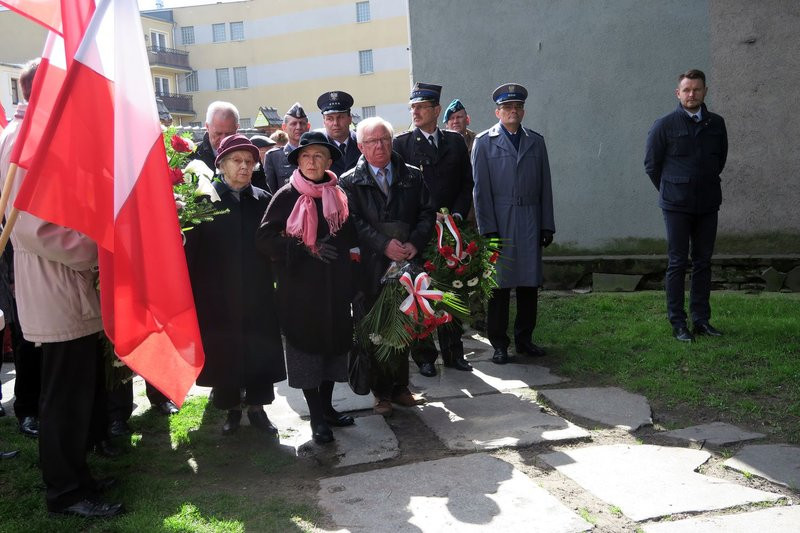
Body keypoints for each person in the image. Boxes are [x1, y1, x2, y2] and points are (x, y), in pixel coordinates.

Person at [0, 58, 123, 517]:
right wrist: (99, 250)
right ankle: (67, 494)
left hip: (64, 281)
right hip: (57, 281)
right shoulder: (26, 139)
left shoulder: (33, 134)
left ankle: (79, 478)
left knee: (76, 392)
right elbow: (33, 227)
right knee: (64, 397)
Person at [257, 131, 358, 444]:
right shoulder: (286, 196)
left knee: (332, 351)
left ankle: (328, 409)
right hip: (300, 293)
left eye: (319, 156)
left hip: (333, 291)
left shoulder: (338, 194)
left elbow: (350, 238)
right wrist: (303, 248)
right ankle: (316, 418)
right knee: (308, 355)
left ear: (329, 161)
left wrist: (351, 272)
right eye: (306, 156)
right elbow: (264, 240)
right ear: (297, 161)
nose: (312, 162)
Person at [185, 134, 286, 436]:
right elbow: (191, 249)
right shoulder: (205, 201)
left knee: (258, 347)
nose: (244, 167)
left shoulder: (264, 200)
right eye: (236, 161)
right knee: (224, 349)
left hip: (257, 290)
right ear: (221, 165)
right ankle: (230, 408)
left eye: (249, 161)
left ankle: (258, 408)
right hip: (216, 292)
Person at [340, 117, 436, 417]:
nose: (379, 146)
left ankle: (401, 387)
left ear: (392, 141)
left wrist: (415, 243)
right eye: (371, 141)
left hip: (407, 261)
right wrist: (383, 244)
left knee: (405, 324)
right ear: (360, 146)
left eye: (384, 139)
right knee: (375, 329)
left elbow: (426, 213)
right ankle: (380, 392)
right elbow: (352, 221)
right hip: (371, 266)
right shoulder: (349, 181)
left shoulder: (413, 176)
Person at [393, 82, 474, 376]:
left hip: (450, 231)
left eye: (422, 107)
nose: (415, 111)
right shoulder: (401, 145)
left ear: (437, 111)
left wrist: (454, 214)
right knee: (421, 291)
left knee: (452, 290)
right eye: (412, 107)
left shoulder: (454, 142)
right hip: (420, 233)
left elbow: (467, 183)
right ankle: (425, 355)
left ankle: (454, 353)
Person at [472, 83, 555, 365]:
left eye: (517, 107)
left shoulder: (536, 141)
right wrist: (488, 229)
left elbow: (545, 186)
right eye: (507, 107)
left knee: (529, 284)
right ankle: (499, 343)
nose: (513, 111)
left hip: (530, 218)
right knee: (499, 285)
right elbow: (480, 191)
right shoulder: (484, 142)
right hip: (501, 219)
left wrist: (547, 224)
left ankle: (525, 339)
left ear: (523, 110)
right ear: (498, 111)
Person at [644, 69, 727, 342]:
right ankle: (678, 323)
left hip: (707, 203)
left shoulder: (716, 124)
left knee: (703, 262)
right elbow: (652, 165)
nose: (692, 94)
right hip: (676, 206)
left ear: (705, 92)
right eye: (687, 90)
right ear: (678, 93)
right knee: (678, 263)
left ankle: (701, 320)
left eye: (697, 89)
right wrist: (672, 190)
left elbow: (720, 161)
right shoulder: (664, 125)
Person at [264, 103, 310, 195]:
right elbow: (271, 193)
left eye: (302, 123)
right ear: (284, 127)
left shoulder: (318, 154)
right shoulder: (273, 157)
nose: (298, 127)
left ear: (308, 127)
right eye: (293, 124)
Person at [316, 90, 361, 176]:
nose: (335, 123)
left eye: (340, 117)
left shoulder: (362, 142)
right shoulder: (318, 146)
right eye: (330, 118)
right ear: (324, 121)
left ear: (350, 119)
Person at [189, 101, 240, 171]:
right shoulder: (191, 156)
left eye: (228, 134)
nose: (223, 140)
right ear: (207, 127)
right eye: (218, 134)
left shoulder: (249, 156)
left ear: (237, 128)